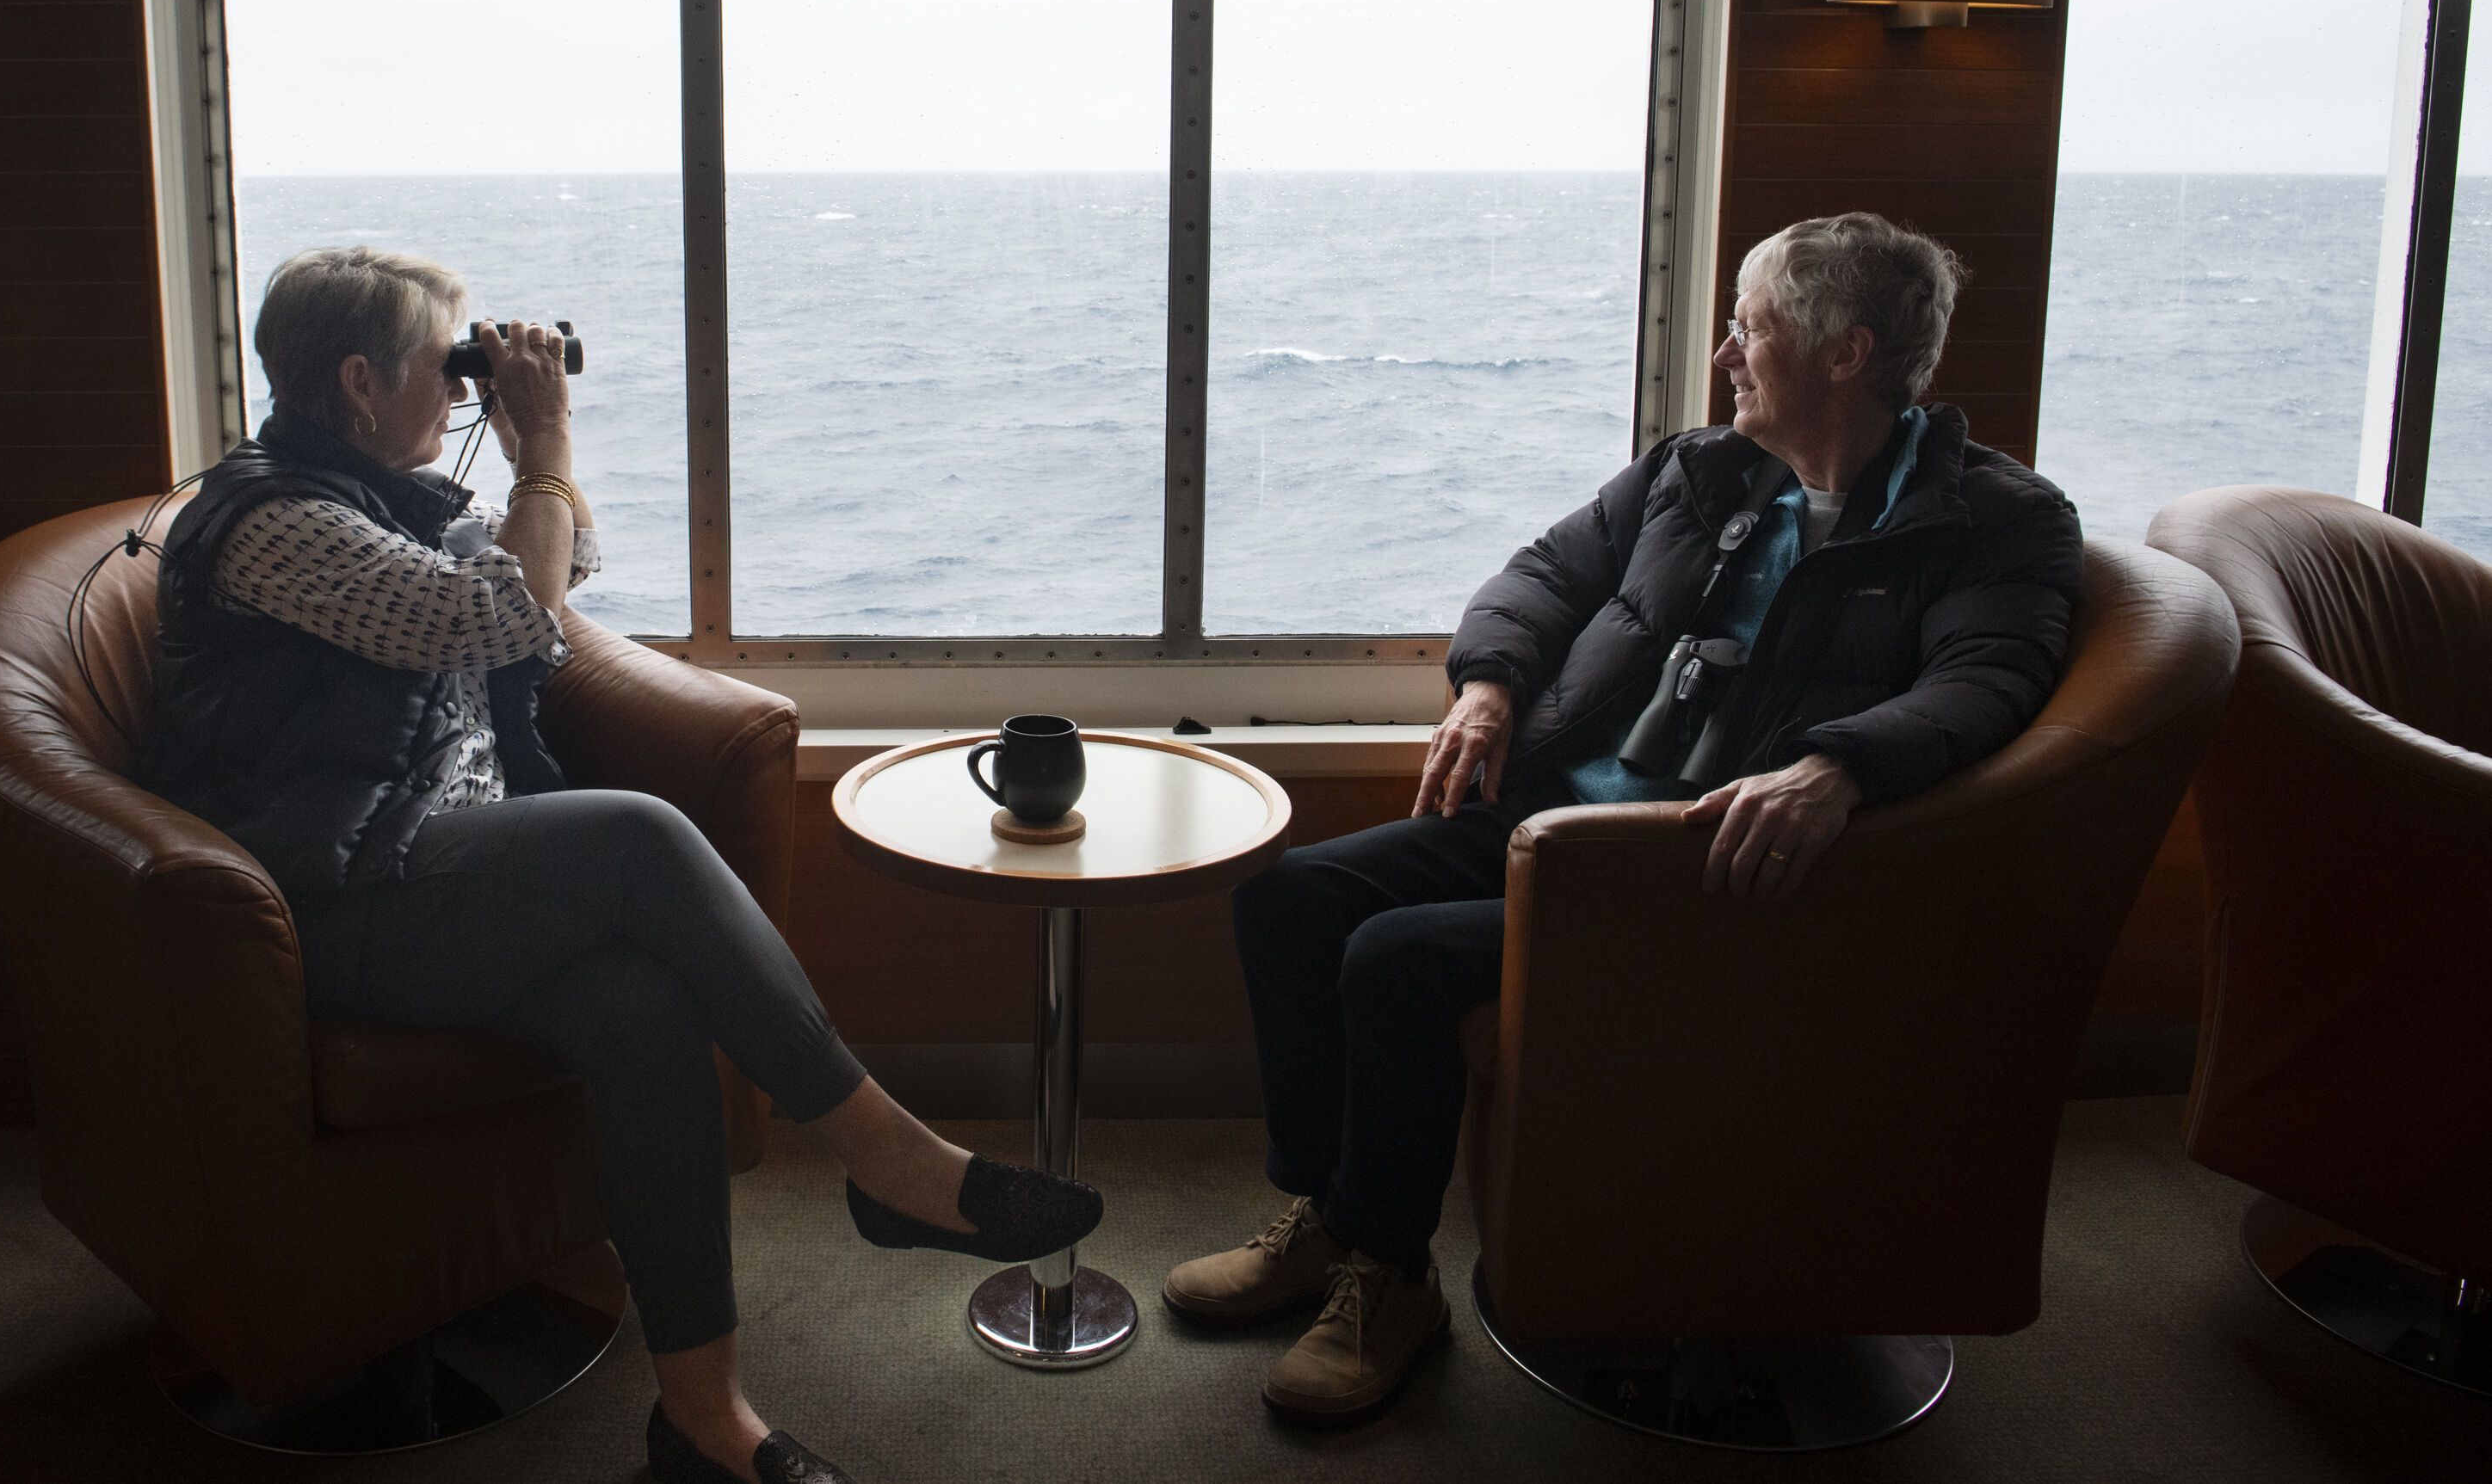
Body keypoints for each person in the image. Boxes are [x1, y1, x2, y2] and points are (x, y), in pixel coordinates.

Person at [133, 248, 1101, 1484]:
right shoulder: (275, 525)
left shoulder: (384, 491)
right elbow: (504, 618)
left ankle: (703, 1418)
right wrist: (541, 445)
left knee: (641, 1010)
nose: (466, 386)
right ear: (360, 383)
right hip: (319, 908)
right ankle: (891, 1161)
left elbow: (566, 559)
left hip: (417, 867)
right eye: (447, 364)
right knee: (639, 835)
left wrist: (535, 456)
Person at [1164, 212, 2082, 1422]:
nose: (1725, 354)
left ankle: (1390, 1278)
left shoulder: (1994, 519)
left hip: (1704, 874)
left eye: (1750, 328)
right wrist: (1490, 687)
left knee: (1395, 960)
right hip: (1556, 816)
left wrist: (1838, 766)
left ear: (1845, 352)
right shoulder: (1694, 472)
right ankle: (1331, 1217)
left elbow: (1990, 681)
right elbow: (1543, 575)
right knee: (1289, 900)